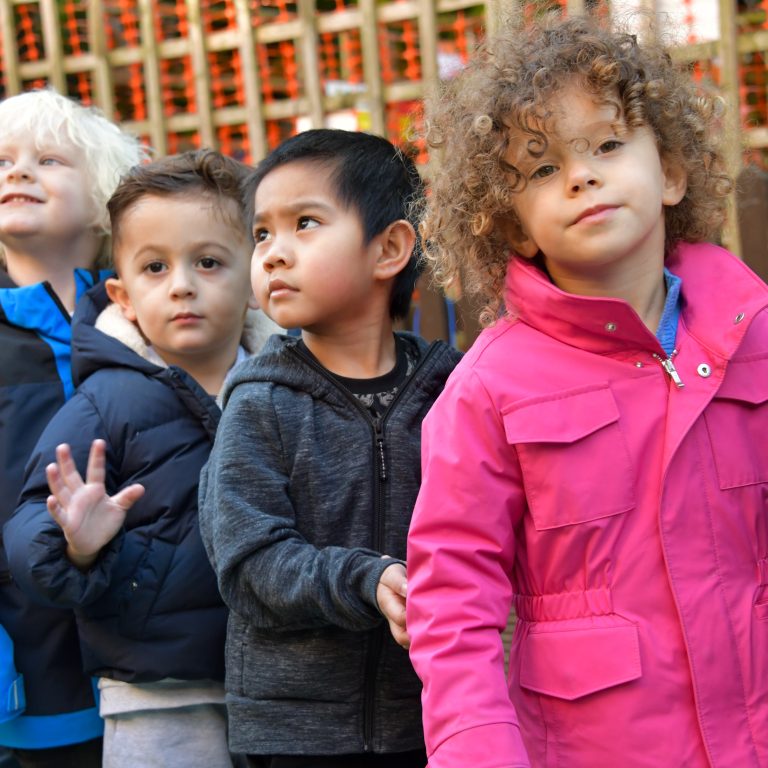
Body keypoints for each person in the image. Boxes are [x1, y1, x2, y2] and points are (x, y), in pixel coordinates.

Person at [405, 14, 768, 768]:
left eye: (606, 145)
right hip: (600, 749)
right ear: (513, 227)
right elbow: (454, 601)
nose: (581, 175)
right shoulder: (487, 390)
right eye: (541, 168)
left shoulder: (754, 333)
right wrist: (477, 751)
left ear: (669, 173)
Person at [4, 149, 281, 768]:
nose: (181, 283)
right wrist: (74, 541)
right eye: (155, 267)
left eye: (208, 262)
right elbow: (29, 526)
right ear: (122, 297)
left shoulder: (288, 389)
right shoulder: (107, 400)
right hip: (156, 689)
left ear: (257, 279)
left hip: (291, 679)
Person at [198, 128, 462, 767]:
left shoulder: (451, 391)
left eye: (305, 223)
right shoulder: (260, 400)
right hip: (297, 736)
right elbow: (248, 564)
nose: (273, 254)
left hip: (433, 717)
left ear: (390, 248)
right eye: (262, 233)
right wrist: (367, 581)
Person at [0, 87, 146, 767]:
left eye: (49, 159)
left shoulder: (145, 320)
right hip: (29, 658)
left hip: (151, 653)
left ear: (102, 199)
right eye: (4, 161)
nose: (19, 171)